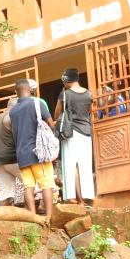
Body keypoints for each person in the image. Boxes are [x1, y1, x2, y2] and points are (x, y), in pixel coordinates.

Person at [8, 78, 57, 217]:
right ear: (30, 89)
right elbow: (51, 124)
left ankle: (33, 219)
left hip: (22, 155)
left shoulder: (13, 111)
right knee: (46, 185)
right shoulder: (37, 103)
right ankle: (48, 219)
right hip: (38, 153)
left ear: (16, 92)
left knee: (28, 187)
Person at [52, 68, 95, 205]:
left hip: (71, 133)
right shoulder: (89, 94)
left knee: (71, 165)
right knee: (85, 165)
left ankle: (75, 198)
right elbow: (90, 112)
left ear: (66, 80)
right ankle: (87, 196)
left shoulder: (65, 94)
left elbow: (56, 115)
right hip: (86, 132)